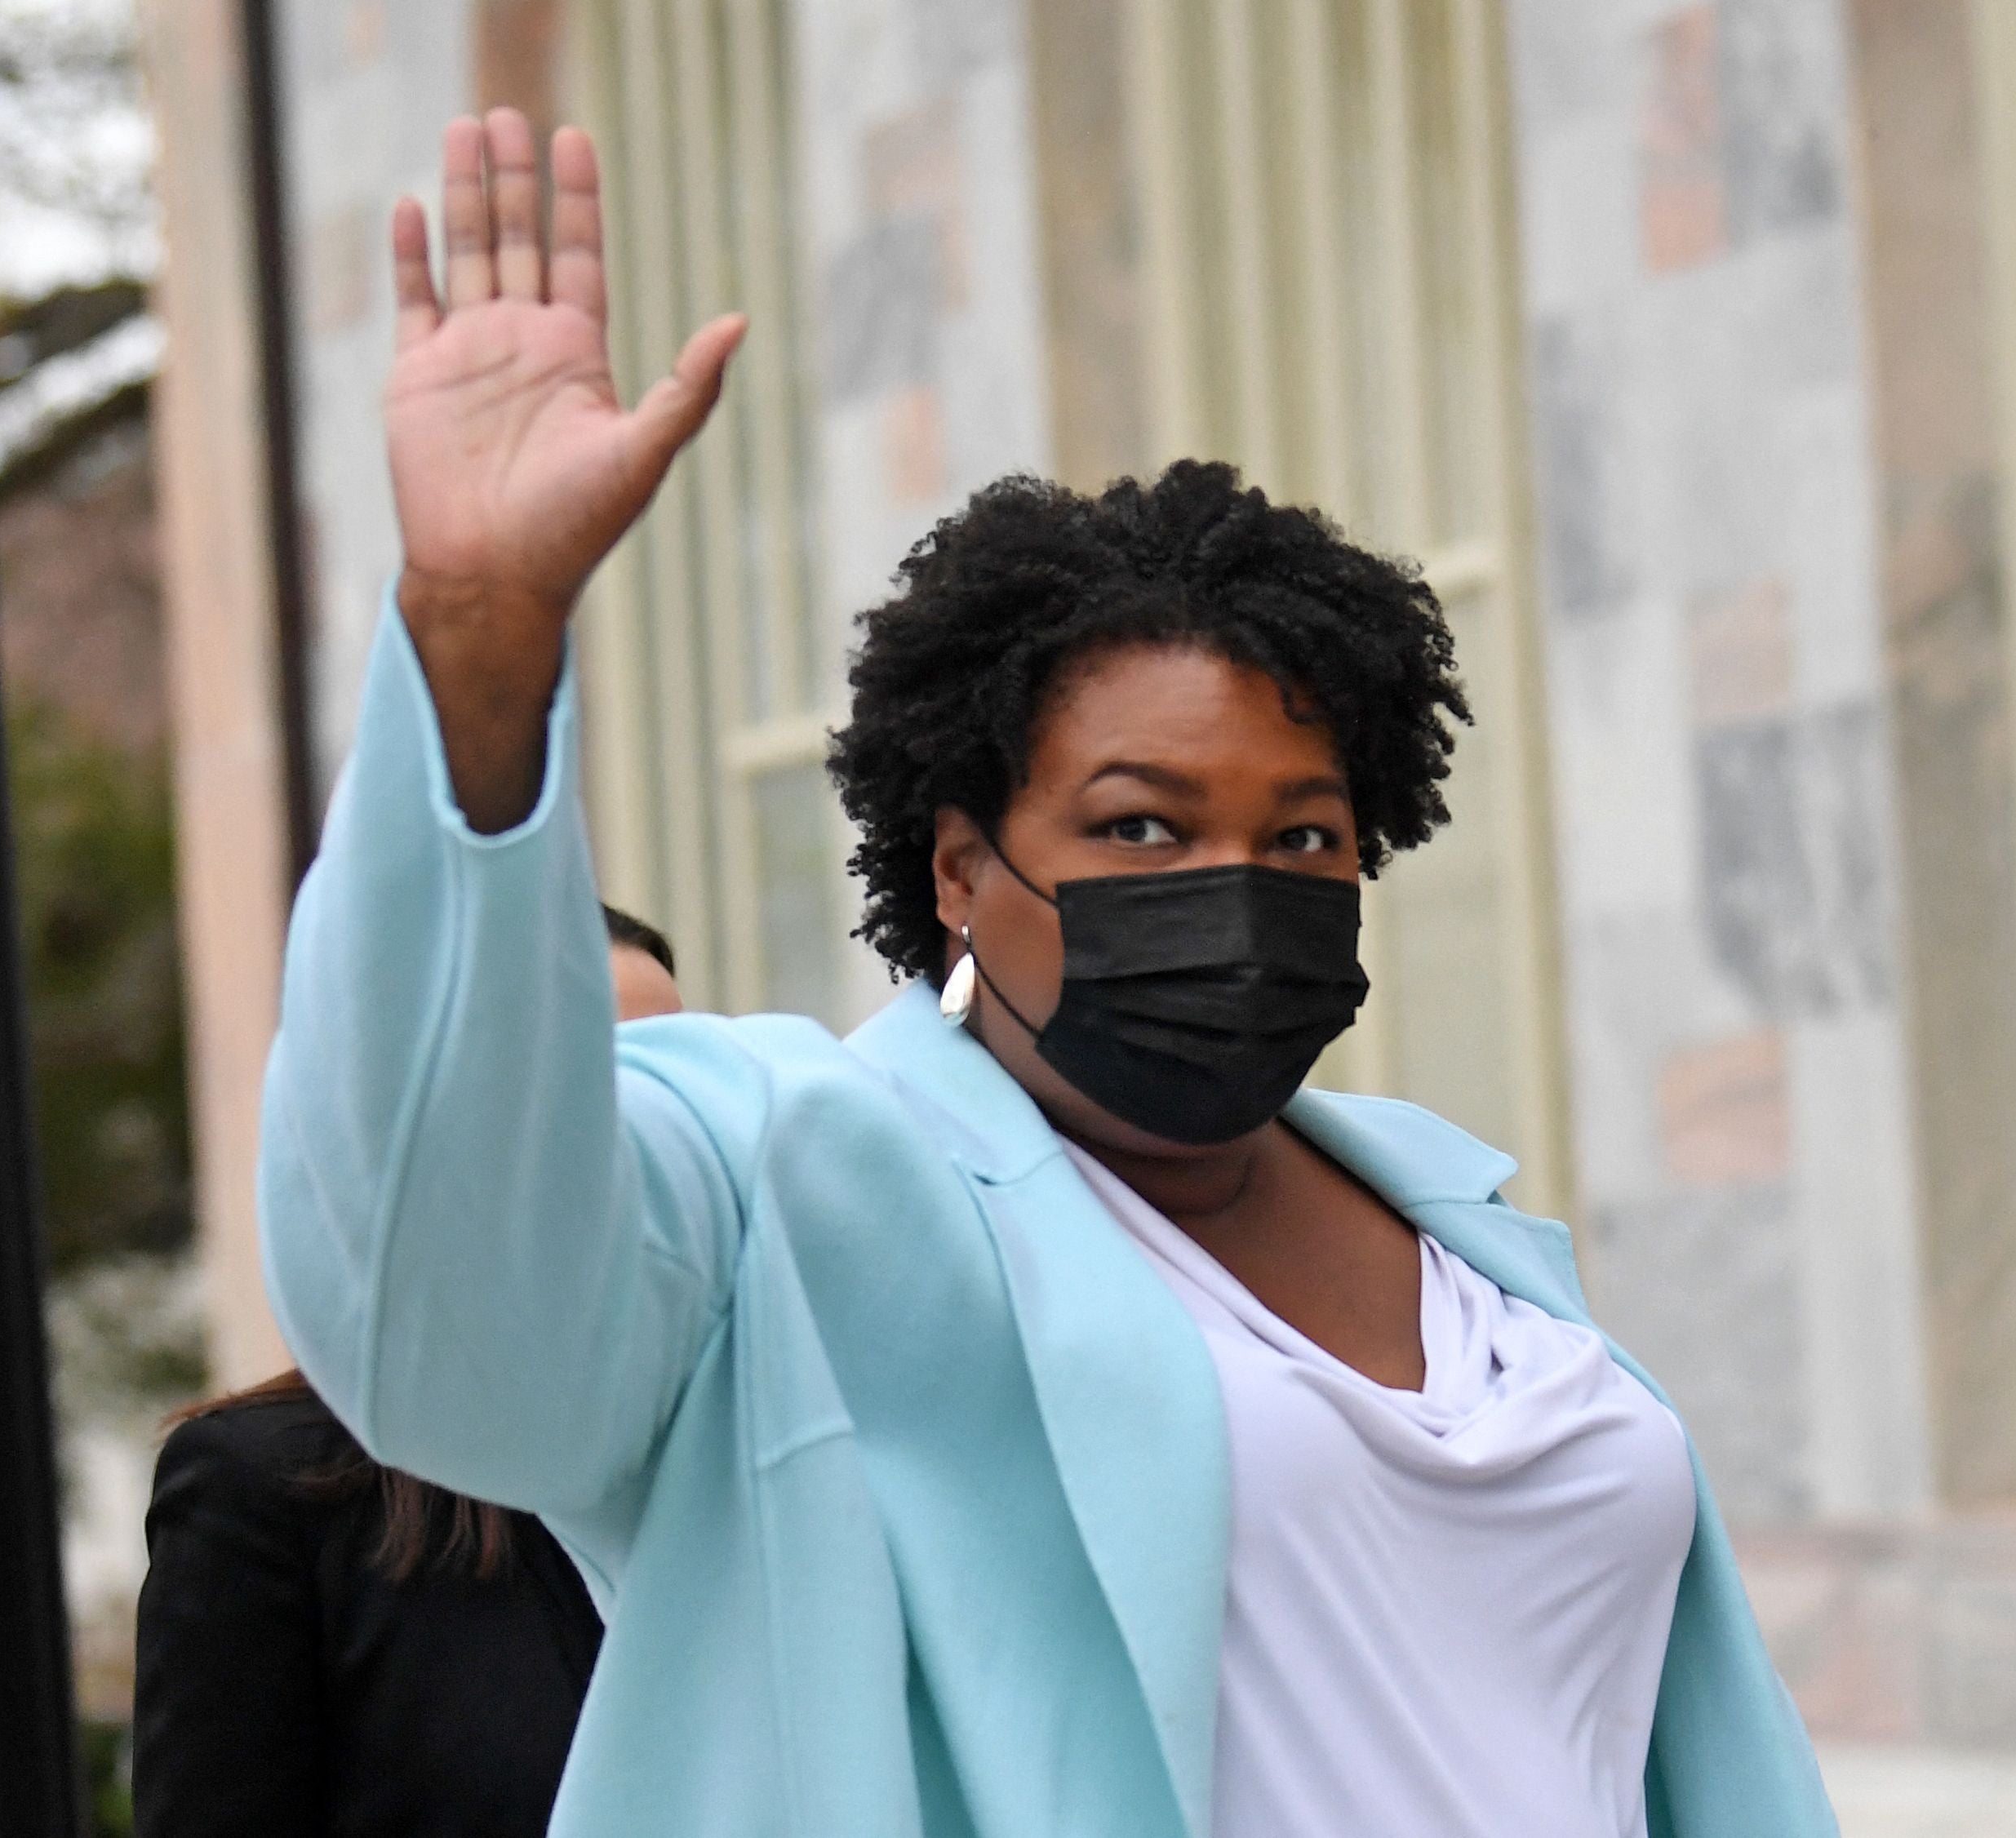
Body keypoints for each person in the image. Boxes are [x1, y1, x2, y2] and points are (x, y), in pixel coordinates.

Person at [259, 106, 1837, 1838]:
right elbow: (450, 1314)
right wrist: (479, 643)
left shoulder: (1466, 1239)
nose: (1234, 892)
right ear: (957, 867)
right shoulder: (794, 1191)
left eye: (1302, 837)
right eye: (1142, 830)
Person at [129, 911, 682, 1838]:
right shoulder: (270, 1493)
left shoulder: (738, 1446)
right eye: (588, 1092)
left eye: (684, 1080)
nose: (651, 1139)